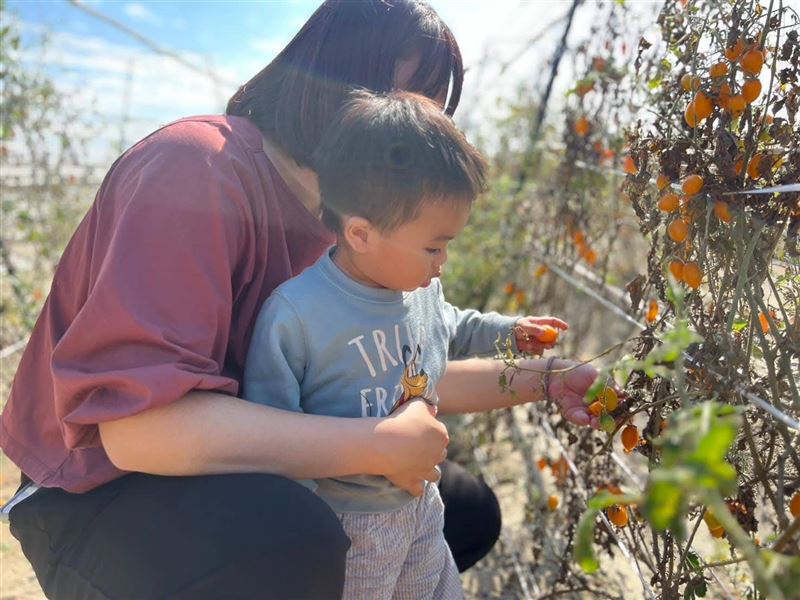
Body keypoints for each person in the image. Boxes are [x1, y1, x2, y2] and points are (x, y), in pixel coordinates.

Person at [0, 1, 602, 598]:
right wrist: (373, 446)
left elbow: (390, 369)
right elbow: (137, 433)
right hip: (95, 493)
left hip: (226, 469)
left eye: (432, 113)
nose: (417, 131)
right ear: (338, 79)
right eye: (406, 101)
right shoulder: (196, 167)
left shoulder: (344, 223)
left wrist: (544, 378)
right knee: (297, 540)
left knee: (461, 512)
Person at [243, 90, 576, 600]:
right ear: (360, 233)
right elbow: (269, 439)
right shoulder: (296, 316)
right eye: (433, 247)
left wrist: (509, 332)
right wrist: (300, 538)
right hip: (347, 527)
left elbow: (452, 324)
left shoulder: (418, 290)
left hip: (421, 500)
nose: (442, 262)